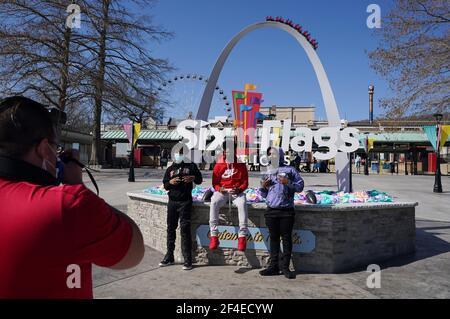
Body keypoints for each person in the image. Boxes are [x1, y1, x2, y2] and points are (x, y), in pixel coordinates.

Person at [0, 96, 144, 299]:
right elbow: (134, 252)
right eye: (54, 146)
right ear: (43, 149)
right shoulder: (68, 205)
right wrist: (76, 186)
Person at [259, 147, 304, 279]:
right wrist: (263, 187)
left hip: (286, 211)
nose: (271, 156)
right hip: (271, 210)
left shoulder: (290, 170)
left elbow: (300, 187)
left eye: (274, 154)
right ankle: (273, 266)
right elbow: (263, 194)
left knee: (286, 239)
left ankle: (285, 267)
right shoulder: (267, 171)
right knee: (273, 239)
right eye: (269, 154)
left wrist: (288, 182)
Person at [160, 150, 202, 270]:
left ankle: (188, 260)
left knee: (185, 229)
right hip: (172, 202)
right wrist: (170, 182)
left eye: (181, 153)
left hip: (185, 202)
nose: (179, 155)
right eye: (177, 153)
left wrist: (192, 177)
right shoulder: (170, 169)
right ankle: (169, 256)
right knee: (170, 229)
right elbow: (165, 184)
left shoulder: (191, 166)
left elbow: (199, 180)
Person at [209, 140, 249, 251]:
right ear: (224, 151)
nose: (229, 152)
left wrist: (239, 189)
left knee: (242, 203)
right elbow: (215, 183)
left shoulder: (241, 164)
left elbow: (245, 182)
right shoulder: (219, 165)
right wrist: (219, 189)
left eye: (232, 150)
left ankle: (242, 236)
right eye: (227, 150)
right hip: (223, 192)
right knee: (214, 202)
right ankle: (214, 235)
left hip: (236, 192)